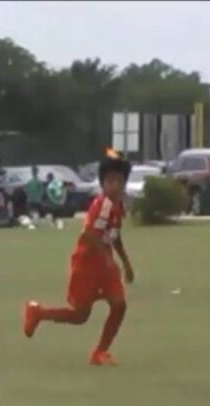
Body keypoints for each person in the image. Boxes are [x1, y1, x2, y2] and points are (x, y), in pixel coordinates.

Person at [23, 148, 136, 366]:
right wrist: (107, 260)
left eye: (120, 181)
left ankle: (100, 352)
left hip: (105, 264)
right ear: (103, 184)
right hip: (87, 264)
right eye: (110, 181)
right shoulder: (103, 204)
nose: (115, 186)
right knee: (80, 316)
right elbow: (90, 234)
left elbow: (114, 235)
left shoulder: (118, 205)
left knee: (119, 304)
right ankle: (38, 313)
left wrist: (125, 262)